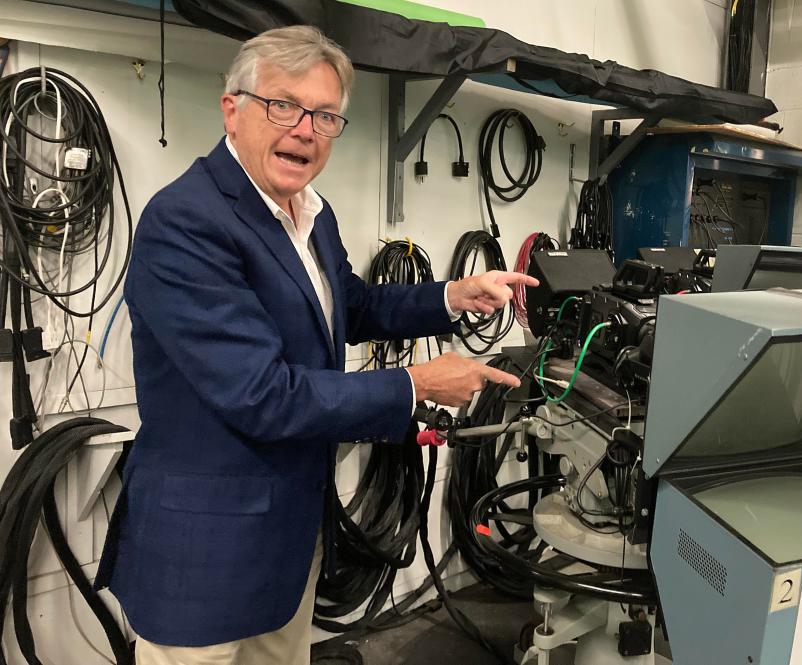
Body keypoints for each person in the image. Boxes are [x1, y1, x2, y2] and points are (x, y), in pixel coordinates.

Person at [94, 25, 537, 665]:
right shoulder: (186, 222)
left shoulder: (311, 212)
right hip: (204, 560)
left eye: (325, 116)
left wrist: (448, 296)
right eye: (283, 105)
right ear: (233, 109)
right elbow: (261, 393)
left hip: (289, 540)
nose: (305, 128)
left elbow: (347, 306)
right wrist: (417, 386)